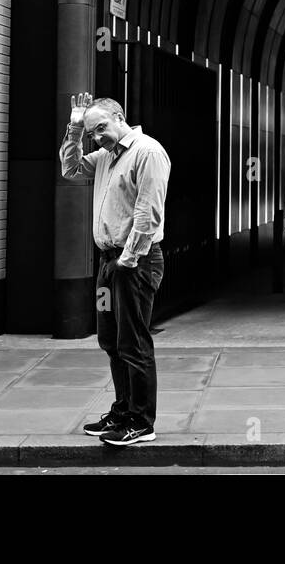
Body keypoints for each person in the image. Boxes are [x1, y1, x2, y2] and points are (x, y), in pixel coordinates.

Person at [60, 92, 171, 447]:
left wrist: (128, 259)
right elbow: (70, 169)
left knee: (133, 341)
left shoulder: (147, 152)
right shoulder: (107, 156)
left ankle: (142, 421)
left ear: (119, 117)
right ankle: (123, 411)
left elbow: (148, 212)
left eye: (100, 128)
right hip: (109, 263)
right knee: (110, 339)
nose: (97, 137)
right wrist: (75, 128)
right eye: (91, 132)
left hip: (135, 263)